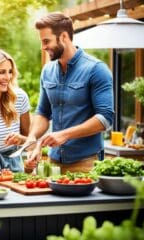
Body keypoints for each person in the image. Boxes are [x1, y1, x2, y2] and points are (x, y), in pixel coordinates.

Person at [25, 13, 114, 173]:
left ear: (64, 36)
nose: (43, 47)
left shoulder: (96, 69)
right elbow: (43, 113)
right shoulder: (47, 71)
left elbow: (105, 118)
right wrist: (32, 137)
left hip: (86, 162)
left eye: (46, 41)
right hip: (53, 162)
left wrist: (65, 135)